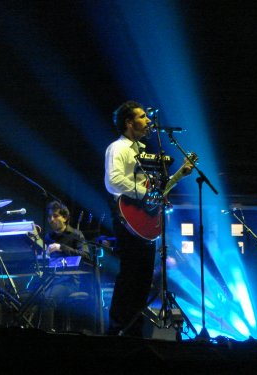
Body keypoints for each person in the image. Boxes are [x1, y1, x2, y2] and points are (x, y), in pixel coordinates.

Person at [104, 100, 191, 337]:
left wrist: (180, 174)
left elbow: (157, 190)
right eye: (142, 117)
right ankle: (117, 329)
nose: (148, 121)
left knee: (142, 279)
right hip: (127, 219)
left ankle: (134, 331)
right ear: (129, 122)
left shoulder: (143, 151)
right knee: (129, 274)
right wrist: (145, 193)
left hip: (145, 222)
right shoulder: (118, 148)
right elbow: (113, 181)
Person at [34, 200, 93, 333]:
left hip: (69, 281)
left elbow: (86, 256)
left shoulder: (76, 235)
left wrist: (62, 247)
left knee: (48, 298)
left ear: (65, 217)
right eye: (49, 217)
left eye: (55, 216)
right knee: (27, 297)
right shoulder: (49, 237)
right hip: (50, 279)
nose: (51, 220)